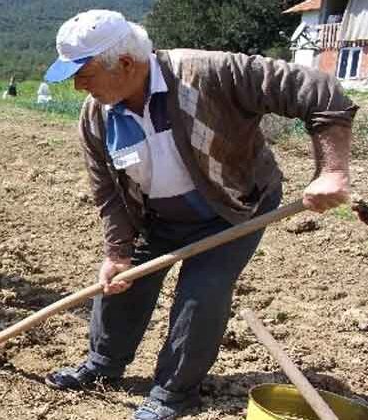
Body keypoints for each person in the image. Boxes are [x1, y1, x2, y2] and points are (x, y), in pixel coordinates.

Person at [42, 9, 356, 420]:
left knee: (201, 292)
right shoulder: (96, 114)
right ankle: (103, 364)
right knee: (121, 284)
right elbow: (108, 191)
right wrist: (117, 251)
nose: (78, 85)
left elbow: (319, 90)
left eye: (83, 73)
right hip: (156, 216)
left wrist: (331, 171)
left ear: (124, 63)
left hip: (233, 208)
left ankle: (174, 392)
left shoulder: (210, 73)